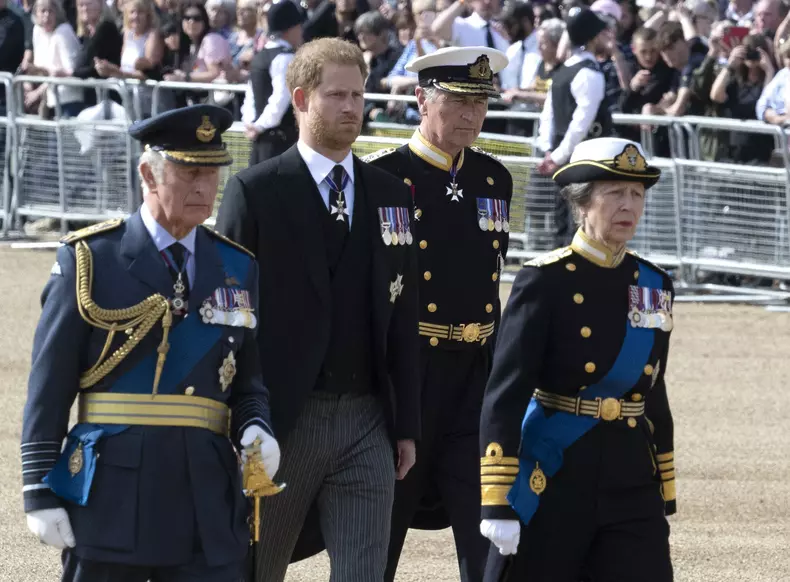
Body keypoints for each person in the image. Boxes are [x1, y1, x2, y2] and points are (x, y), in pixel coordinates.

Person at [20, 104, 280, 581]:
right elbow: (49, 384)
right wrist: (37, 487)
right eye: (189, 171)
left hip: (206, 497)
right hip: (112, 495)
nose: (206, 186)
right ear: (148, 173)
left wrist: (256, 425)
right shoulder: (90, 259)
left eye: (213, 172)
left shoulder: (238, 266)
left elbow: (248, 379)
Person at [214, 37, 420, 582]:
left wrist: (406, 426)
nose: (352, 107)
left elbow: (403, 315)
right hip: (281, 419)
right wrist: (237, 421)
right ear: (301, 98)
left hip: (368, 421)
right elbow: (228, 317)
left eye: (359, 94)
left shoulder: (392, 194)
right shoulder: (254, 191)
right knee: (257, 568)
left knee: (364, 574)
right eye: (337, 95)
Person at [479, 137, 677, 582]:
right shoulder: (543, 280)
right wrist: (496, 496)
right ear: (582, 203)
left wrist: (663, 473)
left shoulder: (654, 283)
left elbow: (652, 387)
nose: (628, 206)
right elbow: (505, 393)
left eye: (637, 195)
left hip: (629, 477)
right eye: (614, 193)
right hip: (556, 472)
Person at [363, 45, 513, 582]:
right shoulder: (382, 177)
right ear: (422, 100)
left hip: (474, 376)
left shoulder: (494, 179)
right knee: (381, 534)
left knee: (490, 537)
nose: (471, 115)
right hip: (410, 375)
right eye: (458, 102)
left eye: (480, 103)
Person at [537, 7, 612, 247]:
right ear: (593, 38)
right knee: (578, 220)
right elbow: (582, 122)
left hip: (563, 154)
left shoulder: (562, 72)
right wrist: (556, 154)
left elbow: (548, 115)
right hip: (582, 157)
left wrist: (549, 149)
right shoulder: (589, 73)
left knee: (567, 218)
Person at [241, 0, 304, 166]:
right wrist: (260, 126)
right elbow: (281, 98)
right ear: (290, 29)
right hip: (280, 142)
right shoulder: (285, 57)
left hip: (260, 139)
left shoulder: (260, 56)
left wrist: (250, 122)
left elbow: (250, 96)